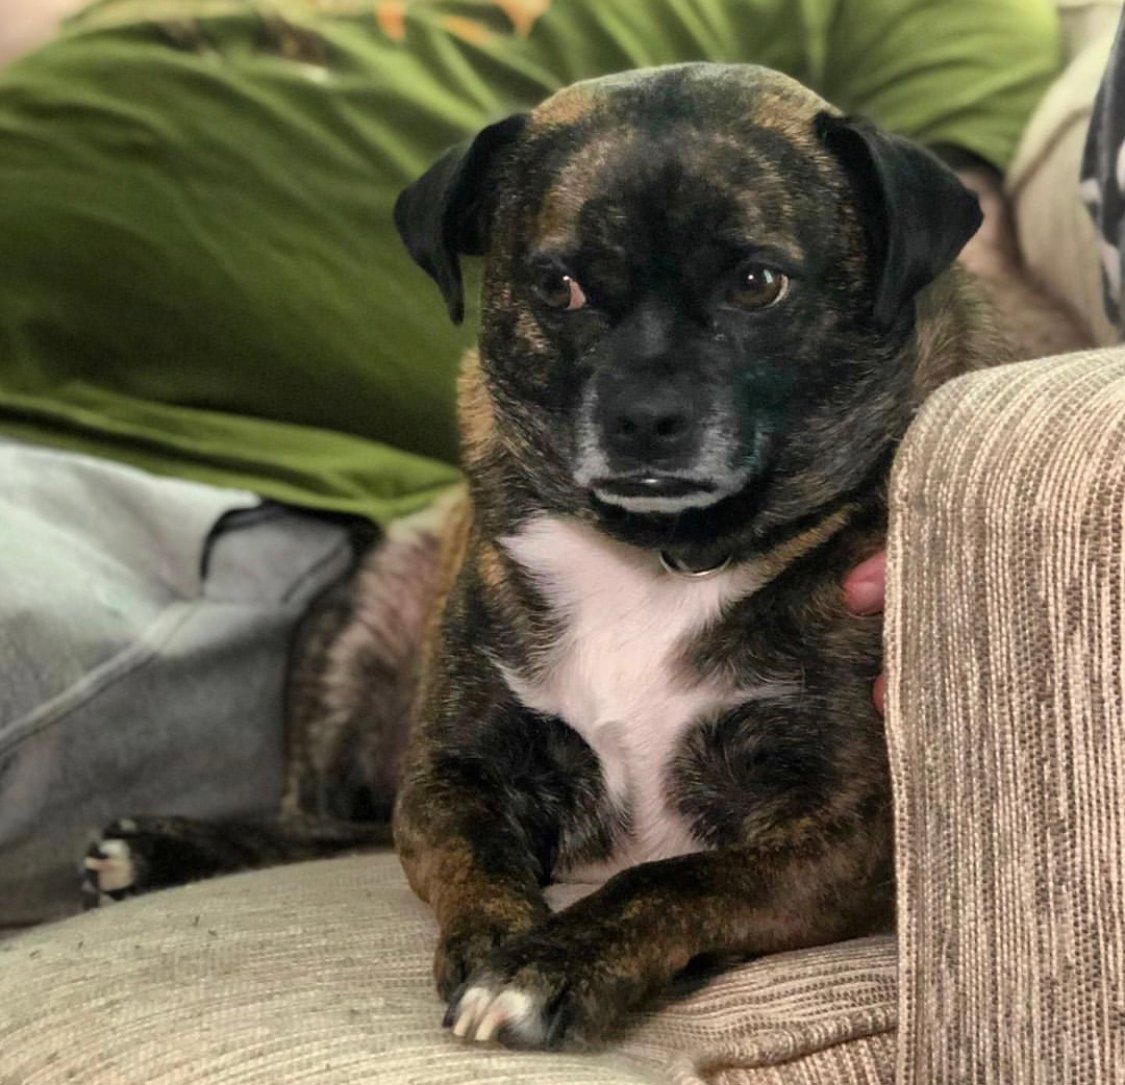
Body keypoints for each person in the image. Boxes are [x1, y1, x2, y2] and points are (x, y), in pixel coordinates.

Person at [0, 0, 1068, 927]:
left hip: (239, 487)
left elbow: (957, 270)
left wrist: (991, 505)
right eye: (562, 288)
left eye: (744, 283)